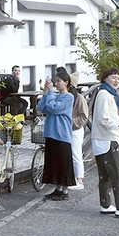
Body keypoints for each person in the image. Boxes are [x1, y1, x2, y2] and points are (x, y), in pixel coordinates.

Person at [90, 67, 119, 217]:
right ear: (105, 79)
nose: (116, 80)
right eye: (113, 77)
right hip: (108, 139)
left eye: (118, 77)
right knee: (118, 175)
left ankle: (105, 204)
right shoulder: (105, 95)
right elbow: (103, 118)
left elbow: (107, 115)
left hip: (101, 139)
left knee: (105, 175)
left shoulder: (108, 93)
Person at [38, 68, 76, 200]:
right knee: (54, 163)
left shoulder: (68, 97)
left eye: (59, 81)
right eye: (55, 81)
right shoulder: (54, 95)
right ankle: (58, 188)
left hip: (62, 134)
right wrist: (45, 93)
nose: (56, 83)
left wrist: (50, 94)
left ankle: (65, 191)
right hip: (51, 133)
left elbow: (54, 108)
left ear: (66, 82)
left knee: (63, 163)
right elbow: (42, 108)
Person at [67, 69, 89, 190]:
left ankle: (79, 180)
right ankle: (72, 178)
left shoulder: (79, 98)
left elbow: (84, 116)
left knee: (76, 154)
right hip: (65, 130)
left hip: (75, 130)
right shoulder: (65, 96)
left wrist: (71, 122)